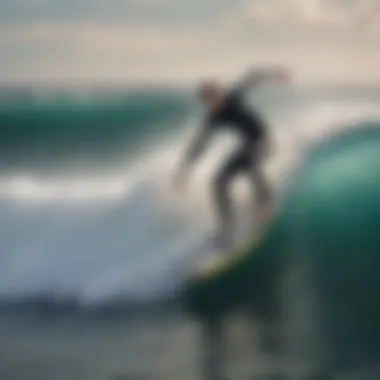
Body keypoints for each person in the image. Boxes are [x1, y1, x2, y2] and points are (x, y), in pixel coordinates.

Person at [173, 66, 290, 249]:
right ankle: (226, 228)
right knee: (218, 182)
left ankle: (264, 206)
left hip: (263, 142)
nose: (210, 103)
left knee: (251, 163)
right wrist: (184, 171)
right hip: (246, 145)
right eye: (206, 101)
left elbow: (252, 77)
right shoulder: (213, 118)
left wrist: (275, 74)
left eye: (212, 98)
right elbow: (199, 145)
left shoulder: (233, 96)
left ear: (218, 94)